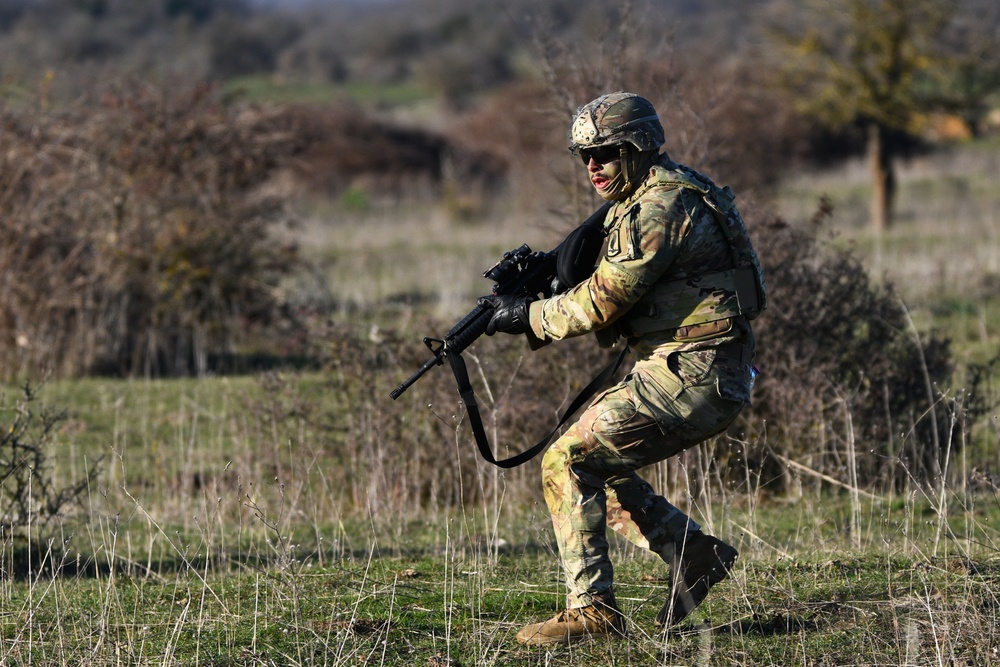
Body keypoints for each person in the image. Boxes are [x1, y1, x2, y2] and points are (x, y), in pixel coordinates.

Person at [479, 92, 766, 646]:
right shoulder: (665, 192)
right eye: (584, 155)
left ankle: (593, 612)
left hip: (693, 373)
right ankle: (690, 551)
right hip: (697, 368)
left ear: (637, 147)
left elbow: (601, 304)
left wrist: (525, 316)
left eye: (606, 153)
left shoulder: (658, 209)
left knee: (567, 461)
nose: (593, 166)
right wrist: (548, 276)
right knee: (590, 466)